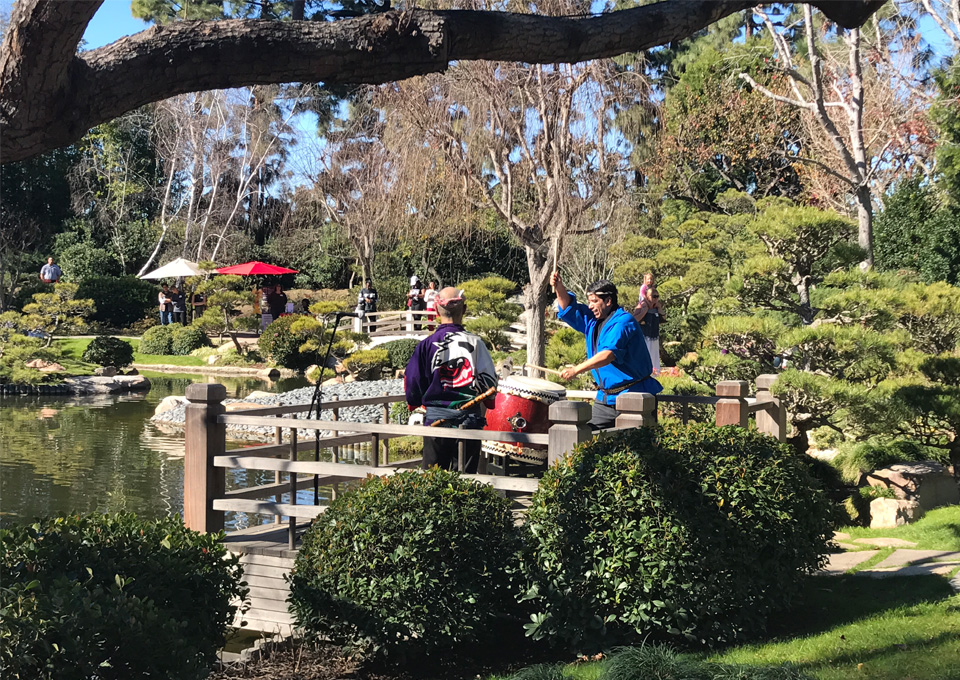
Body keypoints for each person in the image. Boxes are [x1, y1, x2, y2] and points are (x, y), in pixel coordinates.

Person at [404, 287, 498, 472]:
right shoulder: (475, 343)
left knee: (432, 481)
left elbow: (412, 381)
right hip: (469, 422)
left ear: (437, 312)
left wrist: (415, 402)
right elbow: (490, 384)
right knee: (466, 482)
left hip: (436, 422)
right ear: (464, 310)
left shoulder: (426, 345)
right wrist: (487, 400)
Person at [552, 271, 662, 429]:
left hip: (635, 396)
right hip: (606, 398)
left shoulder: (624, 321)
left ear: (608, 301)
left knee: (637, 447)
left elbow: (608, 355)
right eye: (589, 301)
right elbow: (569, 306)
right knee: (587, 440)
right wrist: (559, 286)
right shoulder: (592, 320)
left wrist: (576, 369)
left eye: (594, 301)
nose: (590, 306)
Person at [633, 285, 664, 374]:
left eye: (657, 296)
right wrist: (644, 311)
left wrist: (660, 309)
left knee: (654, 356)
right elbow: (634, 319)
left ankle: (654, 374)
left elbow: (664, 318)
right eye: (653, 296)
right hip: (644, 337)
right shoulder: (642, 305)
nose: (655, 298)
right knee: (644, 356)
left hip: (654, 336)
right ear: (647, 296)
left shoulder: (657, 306)